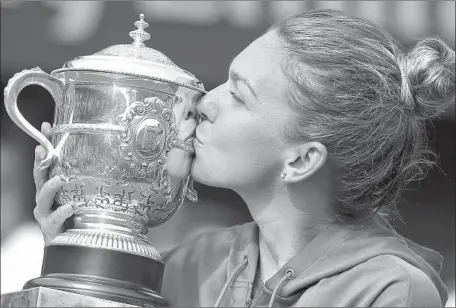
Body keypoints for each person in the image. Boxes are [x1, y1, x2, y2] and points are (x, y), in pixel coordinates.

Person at [32, 10, 454, 307]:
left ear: (302, 160)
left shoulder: (390, 291)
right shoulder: (192, 263)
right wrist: (78, 250)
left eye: (238, 95)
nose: (205, 104)